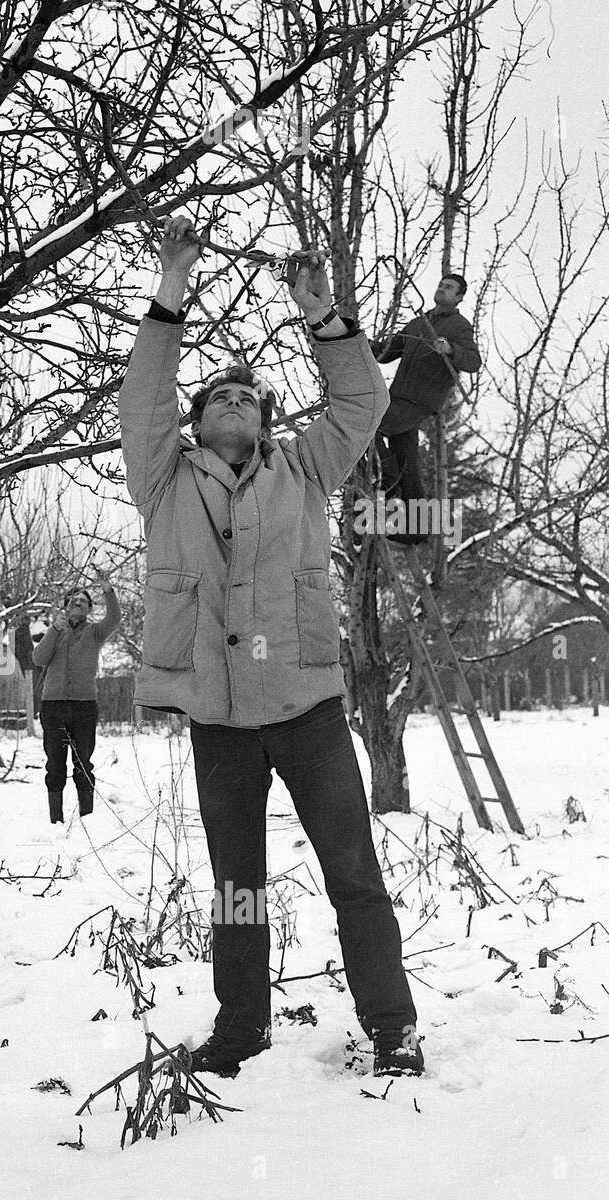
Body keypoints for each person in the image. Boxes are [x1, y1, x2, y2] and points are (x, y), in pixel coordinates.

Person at [119, 215, 423, 1079]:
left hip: (307, 709)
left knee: (353, 873)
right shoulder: (163, 479)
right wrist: (171, 286)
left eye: (248, 398)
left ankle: (392, 1025)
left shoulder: (304, 469)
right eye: (219, 396)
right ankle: (242, 1024)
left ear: (266, 420)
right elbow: (142, 402)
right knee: (238, 889)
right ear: (199, 418)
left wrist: (324, 318)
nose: (234, 403)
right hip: (219, 722)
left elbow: (364, 403)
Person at [371, 274, 481, 544]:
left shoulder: (459, 326)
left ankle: (388, 479)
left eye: (449, 288)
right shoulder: (418, 323)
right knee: (408, 463)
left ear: (459, 298)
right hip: (397, 398)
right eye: (441, 285)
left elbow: (474, 361)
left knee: (368, 425)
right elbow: (385, 353)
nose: (442, 289)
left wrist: (451, 349)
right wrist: (360, 342)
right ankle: (414, 531)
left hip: (420, 401)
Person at [32, 569, 121, 823]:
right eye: (73, 601)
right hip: (53, 707)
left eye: (82, 601)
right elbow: (39, 659)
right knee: (55, 764)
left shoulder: (95, 633)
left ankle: (87, 818)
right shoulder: (56, 631)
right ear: (65, 608)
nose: (77, 603)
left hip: (84, 708)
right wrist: (53, 630)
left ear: (89, 609)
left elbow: (114, 617)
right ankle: (55, 820)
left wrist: (107, 589)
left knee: (83, 763)